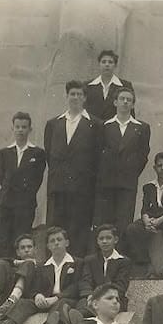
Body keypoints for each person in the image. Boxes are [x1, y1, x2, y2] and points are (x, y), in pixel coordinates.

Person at [44, 80, 101, 258]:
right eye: (72, 94)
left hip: (82, 188)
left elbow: (97, 157)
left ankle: (76, 267)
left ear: (84, 98)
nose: (75, 97)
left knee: (78, 228)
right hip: (58, 187)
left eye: (79, 94)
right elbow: (50, 154)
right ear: (67, 96)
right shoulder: (54, 124)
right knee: (55, 228)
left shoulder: (95, 124)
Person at [0, 226, 81, 324]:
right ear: (48, 246)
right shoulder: (43, 266)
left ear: (67, 243)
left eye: (59, 239)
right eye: (52, 241)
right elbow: (35, 287)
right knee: (25, 302)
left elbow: (76, 286)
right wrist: (37, 295)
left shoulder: (77, 263)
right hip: (46, 300)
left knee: (62, 305)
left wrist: (57, 298)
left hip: (64, 298)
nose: (56, 243)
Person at [94, 87, 150, 242]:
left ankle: (120, 257)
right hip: (106, 182)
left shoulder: (141, 127)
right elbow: (98, 152)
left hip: (127, 182)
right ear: (115, 102)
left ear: (133, 105)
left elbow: (142, 155)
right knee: (105, 221)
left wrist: (130, 171)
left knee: (123, 221)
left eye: (129, 100)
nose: (125, 102)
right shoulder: (105, 125)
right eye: (122, 99)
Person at [0, 112, 46, 260]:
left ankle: (21, 278)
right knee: (1, 240)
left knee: (22, 240)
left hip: (25, 205)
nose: (20, 130)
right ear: (13, 129)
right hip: (6, 204)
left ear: (30, 129)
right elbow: (3, 178)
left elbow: (36, 180)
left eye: (24, 127)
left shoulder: (38, 153)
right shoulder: (4, 153)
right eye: (17, 127)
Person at [124, 152, 163, 277]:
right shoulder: (149, 187)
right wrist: (146, 221)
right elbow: (145, 208)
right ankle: (146, 264)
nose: (162, 168)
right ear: (154, 168)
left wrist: (159, 221)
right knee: (132, 228)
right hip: (152, 217)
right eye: (159, 166)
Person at [75, 224, 131, 318]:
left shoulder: (123, 261)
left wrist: (98, 296)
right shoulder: (90, 260)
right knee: (82, 303)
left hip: (114, 298)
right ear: (97, 241)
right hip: (90, 298)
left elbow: (121, 286)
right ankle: (77, 315)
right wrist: (89, 294)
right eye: (101, 239)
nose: (104, 241)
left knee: (86, 311)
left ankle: (78, 315)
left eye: (108, 238)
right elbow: (85, 280)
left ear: (115, 240)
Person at [85, 49, 133, 122]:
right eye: (103, 62)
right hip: (92, 130)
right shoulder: (88, 86)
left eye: (110, 62)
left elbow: (130, 112)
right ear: (99, 64)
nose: (107, 65)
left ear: (115, 65)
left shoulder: (125, 86)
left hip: (115, 130)